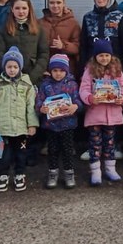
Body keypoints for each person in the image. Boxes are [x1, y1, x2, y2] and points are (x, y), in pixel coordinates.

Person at [0, 46, 38, 192]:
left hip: (21, 129)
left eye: (15, 66)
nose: (12, 69)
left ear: (20, 67)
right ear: (4, 67)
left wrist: (32, 125)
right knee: (4, 155)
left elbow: (30, 107)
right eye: (9, 66)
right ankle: (3, 175)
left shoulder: (27, 86)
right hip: (3, 129)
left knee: (21, 154)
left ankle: (20, 174)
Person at [79, 39, 123, 186]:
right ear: (95, 56)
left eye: (107, 55)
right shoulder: (89, 70)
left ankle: (110, 169)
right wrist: (89, 98)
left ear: (111, 56)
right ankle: (95, 171)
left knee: (110, 143)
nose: (104, 58)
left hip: (112, 115)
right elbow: (83, 89)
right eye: (101, 55)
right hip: (95, 114)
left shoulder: (117, 71)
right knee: (95, 144)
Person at [36, 54, 83, 190]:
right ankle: (53, 173)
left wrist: (75, 107)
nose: (58, 73)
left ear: (66, 71)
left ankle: (69, 174)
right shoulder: (45, 85)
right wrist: (41, 108)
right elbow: (39, 100)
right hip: (51, 126)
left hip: (67, 124)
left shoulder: (72, 84)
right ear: (50, 71)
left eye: (61, 70)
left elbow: (78, 101)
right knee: (52, 150)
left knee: (68, 150)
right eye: (55, 70)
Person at [0, 0, 49, 87]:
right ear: (12, 9)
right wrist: (10, 72)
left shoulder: (38, 29)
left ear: (29, 9)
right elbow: (0, 53)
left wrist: (32, 77)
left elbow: (43, 54)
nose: (21, 11)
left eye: (24, 8)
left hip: (33, 79)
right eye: (17, 8)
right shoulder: (4, 29)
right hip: (10, 79)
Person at [80, 0, 123, 70]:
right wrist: (82, 68)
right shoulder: (88, 17)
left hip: (114, 67)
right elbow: (83, 45)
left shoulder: (119, 17)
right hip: (93, 67)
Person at [38, 0, 81, 74]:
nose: (55, 6)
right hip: (46, 70)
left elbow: (78, 47)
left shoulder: (73, 23)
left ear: (64, 4)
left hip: (65, 70)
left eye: (58, 2)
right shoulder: (39, 23)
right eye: (52, 3)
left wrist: (63, 46)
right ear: (48, 4)